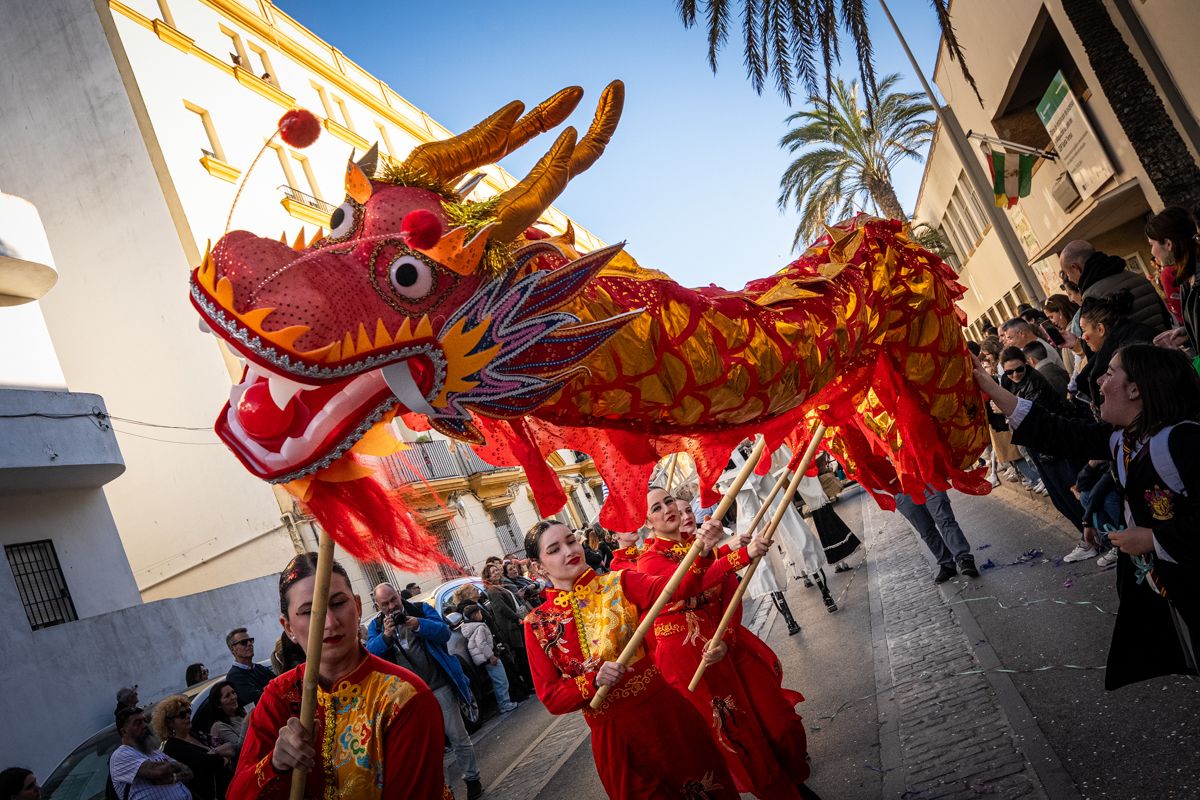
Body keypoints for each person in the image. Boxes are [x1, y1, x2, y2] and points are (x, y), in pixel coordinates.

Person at [974, 343, 1200, 688]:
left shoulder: (1182, 441)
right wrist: (991, 387)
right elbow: (1058, 432)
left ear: (1136, 389)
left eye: (1110, 373)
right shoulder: (1123, 438)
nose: (1098, 381)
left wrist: (1154, 538)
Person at [523, 519, 742, 799]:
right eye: (554, 549)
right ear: (538, 566)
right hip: (616, 738)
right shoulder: (537, 624)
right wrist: (593, 681)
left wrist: (702, 550)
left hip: (665, 715)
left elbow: (677, 589)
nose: (569, 551)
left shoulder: (619, 582)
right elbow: (551, 696)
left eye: (570, 540)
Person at [639, 487, 819, 798]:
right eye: (657, 508)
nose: (668, 510)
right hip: (689, 659)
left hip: (723, 642)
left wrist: (734, 554)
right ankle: (781, 791)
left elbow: (721, 583)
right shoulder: (648, 562)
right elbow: (683, 587)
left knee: (776, 725)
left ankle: (790, 779)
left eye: (669, 501)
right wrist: (725, 553)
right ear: (648, 521)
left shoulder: (693, 547)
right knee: (734, 735)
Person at [227, 553, 445, 799]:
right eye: (309, 611)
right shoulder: (278, 696)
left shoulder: (404, 697)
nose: (329, 622)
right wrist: (275, 765)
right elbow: (237, 792)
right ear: (288, 627)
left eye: (339, 603)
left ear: (359, 606)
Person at [365, 581, 481, 800]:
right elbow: (370, 655)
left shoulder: (419, 610)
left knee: (457, 735)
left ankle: (473, 779)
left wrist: (418, 624)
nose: (391, 607)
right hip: (409, 698)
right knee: (431, 748)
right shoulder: (377, 626)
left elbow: (444, 633)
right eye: (384, 604)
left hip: (439, 686)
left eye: (393, 600)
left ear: (399, 596)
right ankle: (443, 791)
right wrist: (386, 637)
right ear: (378, 606)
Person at [996, 346, 1087, 535]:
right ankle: (1086, 536)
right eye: (1009, 371)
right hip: (1036, 446)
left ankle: (1092, 536)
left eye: (1019, 369)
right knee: (1059, 497)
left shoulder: (1035, 382)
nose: (1015, 375)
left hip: (1054, 444)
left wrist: (1007, 409)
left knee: (1070, 493)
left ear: (1027, 364)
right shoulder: (1007, 382)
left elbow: (1031, 414)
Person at [1059, 239, 1172, 334]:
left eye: (1068, 273)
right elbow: (1166, 317)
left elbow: (1101, 344)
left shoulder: (1091, 297)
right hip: (1166, 348)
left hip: (1136, 358)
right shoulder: (1136, 278)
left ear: (1075, 268)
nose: (1069, 279)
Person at [1077, 291, 1155, 411]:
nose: (1082, 337)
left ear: (1100, 329)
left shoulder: (1122, 357)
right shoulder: (1129, 333)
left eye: (1083, 330)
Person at [1146, 207, 1199, 366]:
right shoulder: (1188, 279)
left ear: (1168, 244)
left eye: (1151, 244)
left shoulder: (1195, 279)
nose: (1152, 252)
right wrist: (1188, 333)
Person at [152, 695, 232, 800]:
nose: (187, 716)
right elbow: (212, 762)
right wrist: (221, 755)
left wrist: (216, 753)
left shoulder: (196, 734)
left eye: (188, 711)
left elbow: (229, 747)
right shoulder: (173, 747)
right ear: (170, 723)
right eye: (182, 714)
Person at [894, 488, 977, 583]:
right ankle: (946, 564)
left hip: (925, 478)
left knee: (945, 520)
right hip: (900, 489)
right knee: (926, 531)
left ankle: (964, 558)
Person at [110, 705, 192, 800]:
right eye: (138, 723)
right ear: (124, 731)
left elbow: (188, 772)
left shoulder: (154, 751)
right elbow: (158, 771)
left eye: (145, 721)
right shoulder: (120, 755)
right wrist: (174, 766)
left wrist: (173, 777)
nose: (145, 725)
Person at [480, 562, 534, 698]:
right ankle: (529, 683)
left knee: (524, 654)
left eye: (497, 570)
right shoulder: (492, 590)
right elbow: (502, 608)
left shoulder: (500, 586)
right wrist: (516, 618)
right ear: (488, 577)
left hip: (516, 622)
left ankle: (530, 681)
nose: (496, 573)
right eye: (493, 572)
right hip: (511, 627)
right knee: (521, 656)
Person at [461, 603, 518, 713]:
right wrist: (491, 656)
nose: (481, 614)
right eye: (479, 612)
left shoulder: (470, 628)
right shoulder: (480, 627)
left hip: (483, 659)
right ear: (474, 615)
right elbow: (481, 643)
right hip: (489, 658)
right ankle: (504, 704)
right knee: (501, 681)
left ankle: (504, 703)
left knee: (498, 681)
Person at [223, 628, 274, 708]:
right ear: (233, 649)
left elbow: (280, 685)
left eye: (250, 640)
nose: (250, 644)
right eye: (243, 642)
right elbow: (258, 699)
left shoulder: (259, 668)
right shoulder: (234, 676)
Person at [999, 318, 1064, 369]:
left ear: (1021, 334)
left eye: (1010, 338)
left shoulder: (1043, 349)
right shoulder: (1033, 348)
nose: (1009, 342)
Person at [207, 681, 248, 755]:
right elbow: (240, 749)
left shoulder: (242, 712)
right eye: (227, 696)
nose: (233, 697)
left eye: (233, 692)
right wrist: (247, 722)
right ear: (218, 704)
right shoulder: (219, 727)